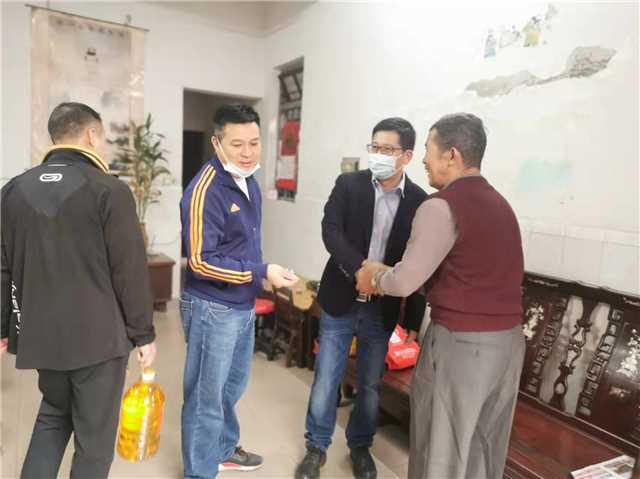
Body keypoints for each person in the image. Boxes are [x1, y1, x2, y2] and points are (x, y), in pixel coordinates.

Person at [357, 113, 525, 479]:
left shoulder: (441, 206)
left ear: (452, 155)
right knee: (484, 445)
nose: (423, 160)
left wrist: (374, 276)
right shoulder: (501, 206)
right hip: (508, 346)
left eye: (428, 151)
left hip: (462, 347)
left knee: (442, 448)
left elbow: (404, 282)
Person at [0, 102, 157, 478]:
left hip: (42, 336)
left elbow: (3, 267)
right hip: (99, 342)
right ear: (91, 134)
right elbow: (129, 271)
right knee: (94, 442)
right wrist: (144, 334)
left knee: (53, 417)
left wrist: (3, 325)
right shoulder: (109, 190)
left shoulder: (13, 191)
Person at [295, 118, 428, 479]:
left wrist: (413, 319)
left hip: (382, 309)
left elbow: (419, 261)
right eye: (375, 148)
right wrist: (359, 269)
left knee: (369, 384)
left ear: (407, 156)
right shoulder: (349, 185)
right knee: (327, 376)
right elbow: (331, 231)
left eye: (388, 150)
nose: (379, 155)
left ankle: (360, 446)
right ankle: (316, 447)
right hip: (341, 296)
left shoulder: (419, 201)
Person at [180, 104, 299, 478]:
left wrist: (262, 278)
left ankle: (223, 449)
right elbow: (200, 262)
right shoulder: (204, 190)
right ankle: (199, 472)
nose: (248, 153)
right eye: (237, 144)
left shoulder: (249, 182)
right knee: (206, 397)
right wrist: (262, 272)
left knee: (231, 387)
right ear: (217, 143)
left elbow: (244, 245)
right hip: (211, 306)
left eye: (254, 142)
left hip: (242, 301)